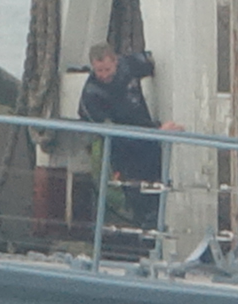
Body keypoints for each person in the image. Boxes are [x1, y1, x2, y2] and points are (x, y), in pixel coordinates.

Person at [77, 43, 181, 226]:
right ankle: (146, 236)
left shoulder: (128, 66)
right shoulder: (91, 95)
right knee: (138, 198)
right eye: (99, 70)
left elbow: (149, 61)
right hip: (124, 152)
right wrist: (156, 132)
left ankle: (159, 229)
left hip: (149, 142)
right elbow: (112, 134)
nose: (104, 75)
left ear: (116, 62)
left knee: (159, 188)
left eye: (107, 69)